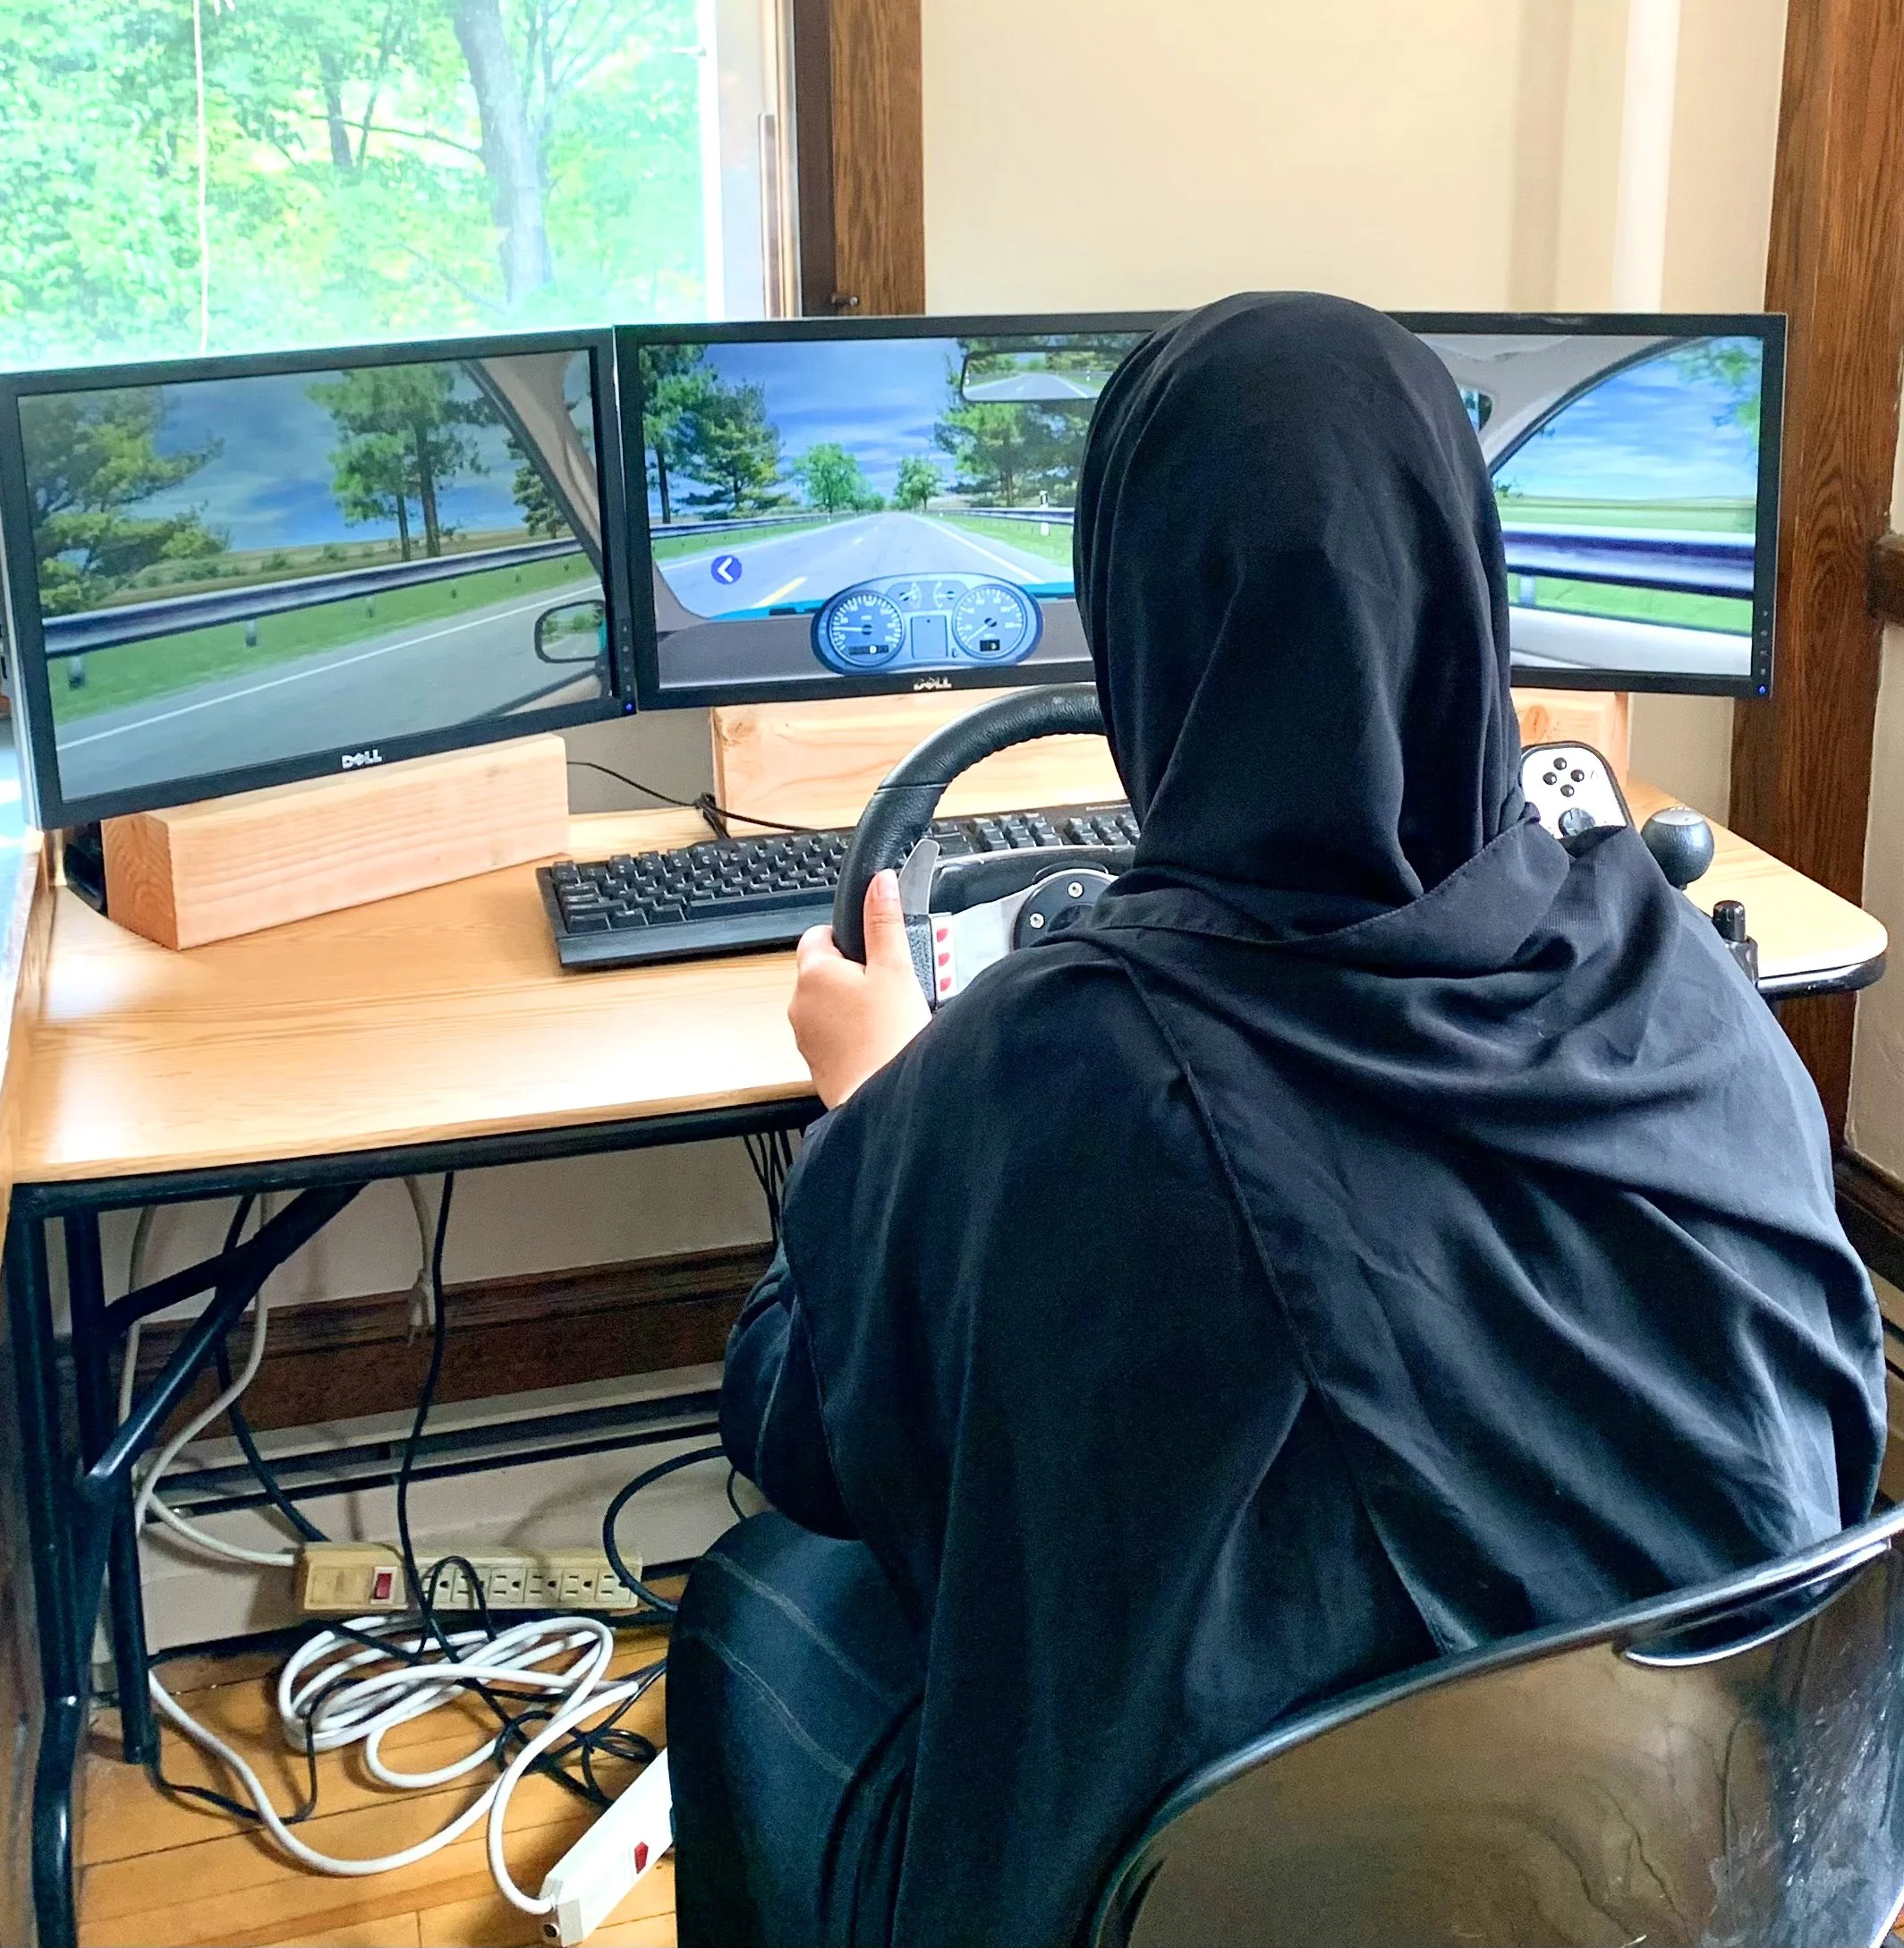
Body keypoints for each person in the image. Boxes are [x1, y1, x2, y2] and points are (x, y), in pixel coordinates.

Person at [663, 293, 1884, 1948]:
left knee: (759, 1600)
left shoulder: (1060, 1067)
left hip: (1226, 1893)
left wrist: (883, 1103)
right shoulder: (1685, 980)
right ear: (1467, 581)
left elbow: (797, 1429)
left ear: (1141, 625)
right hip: (1714, 1864)